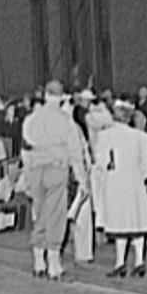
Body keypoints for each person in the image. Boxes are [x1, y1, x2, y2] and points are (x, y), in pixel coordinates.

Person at [22, 80, 87, 282]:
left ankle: (38, 261)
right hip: (57, 168)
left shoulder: (30, 120)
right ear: (61, 98)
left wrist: (26, 175)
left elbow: (24, 150)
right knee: (56, 215)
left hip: (34, 170)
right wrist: (82, 179)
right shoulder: (66, 121)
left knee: (40, 213)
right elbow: (75, 153)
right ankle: (54, 263)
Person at [93, 100, 147, 278]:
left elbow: (102, 162)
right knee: (136, 221)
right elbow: (146, 166)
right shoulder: (142, 137)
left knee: (119, 222)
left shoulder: (105, 136)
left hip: (115, 182)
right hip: (135, 182)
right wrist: (140, 177)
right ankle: (139, 261)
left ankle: (120, 262)